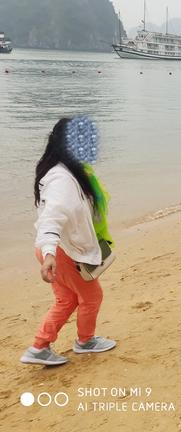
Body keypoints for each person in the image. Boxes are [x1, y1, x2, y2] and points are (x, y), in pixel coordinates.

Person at [20, 117, 116, 366]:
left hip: (52, 249)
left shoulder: (64, 170)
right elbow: (52, 216)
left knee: (67, 299)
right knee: (92, 296)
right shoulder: (61, 179)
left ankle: (39, 347)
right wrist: (51, 253)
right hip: (61, 252)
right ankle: (85, 341)